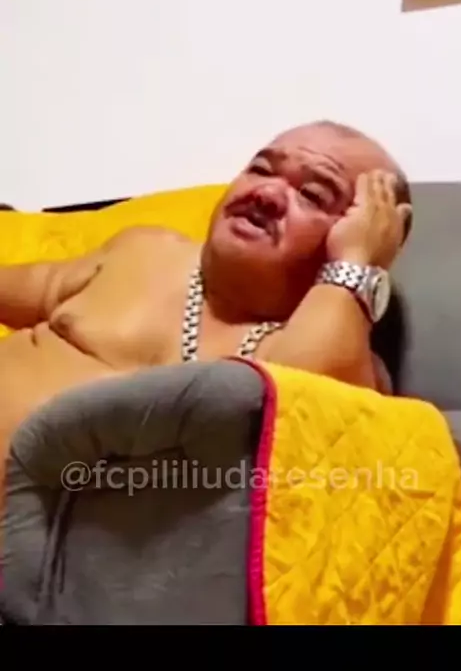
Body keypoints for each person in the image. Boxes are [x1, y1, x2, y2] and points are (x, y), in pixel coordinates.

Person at [0, 120, 411, 464]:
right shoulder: (143, 251)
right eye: (261, 169)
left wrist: (356, 263)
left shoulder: (340, 356)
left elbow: (296, 421)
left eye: (312, 195)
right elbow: (21, 285)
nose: (266, 193)